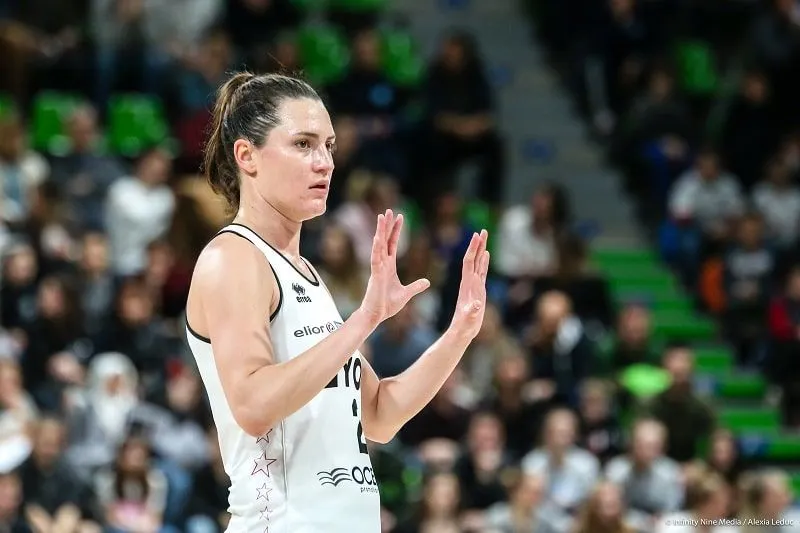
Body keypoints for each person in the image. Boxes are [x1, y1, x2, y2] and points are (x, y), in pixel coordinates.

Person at [184, 72, 491, 533]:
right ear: (247, 156)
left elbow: (380, 415)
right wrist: (364, 319)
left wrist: (459, 333)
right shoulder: (233, 258)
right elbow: (253, 405)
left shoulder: (307, 275)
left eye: (328, 146)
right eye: (303, 144)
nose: (325, 162)